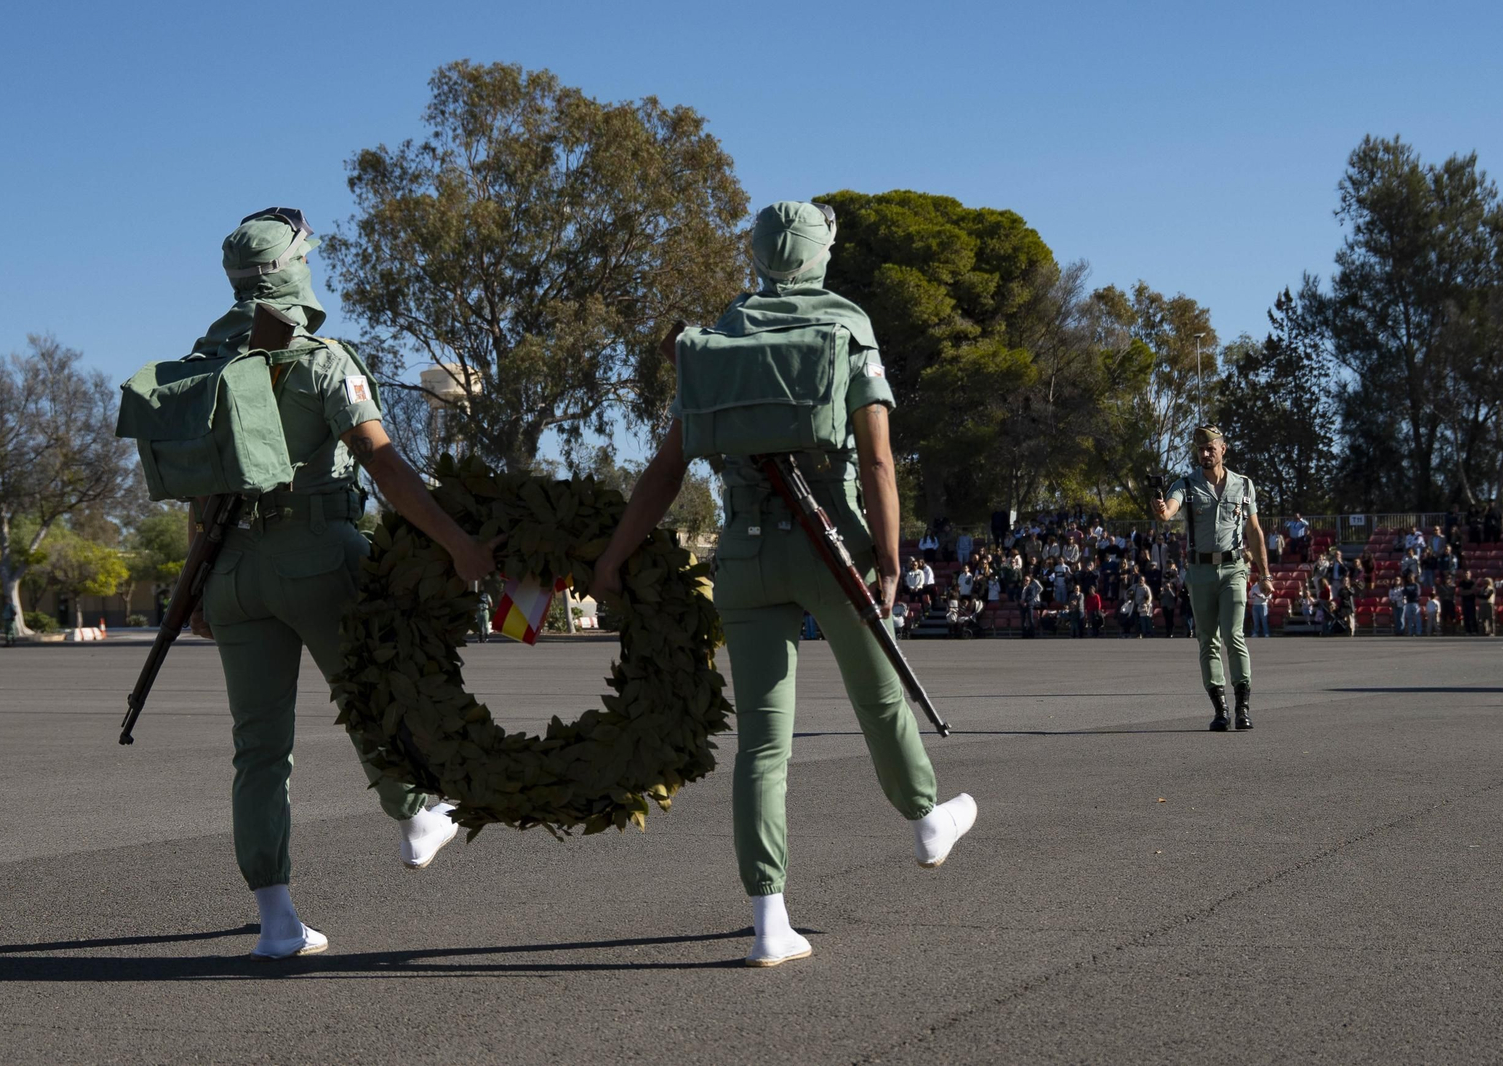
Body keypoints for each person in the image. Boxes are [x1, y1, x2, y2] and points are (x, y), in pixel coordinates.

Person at [591, 201, 974, 968]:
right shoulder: (846, 323)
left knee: (763, 749)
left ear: (760, 255)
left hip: (744, 556)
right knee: (879, 699)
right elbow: (877, 461)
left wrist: (611, 559)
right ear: (821, 255)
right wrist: (891, 556)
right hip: (833, 551)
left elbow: (666, 469)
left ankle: (769, 919)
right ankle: (925, 817)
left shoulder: (718, 336)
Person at [187, 208, 501, 960]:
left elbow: (200, 491)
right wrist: (457, 541)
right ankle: (417, 812)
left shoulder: (203, 365)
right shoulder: (323, 359)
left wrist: (193, 583)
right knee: (374, 690)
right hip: (315, 551)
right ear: (294, 271)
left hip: (232, 569)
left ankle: (276, 921)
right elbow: (383, 464)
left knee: (258, 751)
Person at [1151, 425, 1271, 731]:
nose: (1205, 454)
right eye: (1200, 450)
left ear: (1223, 448)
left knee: (1234, 635)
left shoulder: (1243, 486)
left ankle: (1243, 707)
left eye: (1210, 449)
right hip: (1200, 572)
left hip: (1233, 569)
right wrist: (1163, 510)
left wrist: (1264, 573)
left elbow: (1254, 531)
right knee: (1208, 641)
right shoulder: (1186, 485)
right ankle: (1221, 709)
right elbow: (1170, 511)